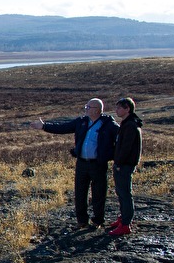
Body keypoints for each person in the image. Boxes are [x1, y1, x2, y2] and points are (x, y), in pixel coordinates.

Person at [30, 98, 119, 229]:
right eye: (86, 107)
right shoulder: (81, 122)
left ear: (98, 110)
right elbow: (63, 127)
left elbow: (122, 139)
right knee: (80, 193)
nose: (86, 109)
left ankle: (98, 221)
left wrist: (112, 155)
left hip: (98, 164)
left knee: (99, 193)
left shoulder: (109, 125)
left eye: (89, 107)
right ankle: (82, 221)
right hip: (82, 163)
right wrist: (44, 126)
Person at [108, 97, 143, 236]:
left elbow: (126, 148)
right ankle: (123, 218)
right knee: (121, 193)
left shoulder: (130, 125)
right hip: (124, 164)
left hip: (124, 165)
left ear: (127, 108)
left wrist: (119, 163)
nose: (116, 110)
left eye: (119, 108)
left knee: (124, 194)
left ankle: (126, 224)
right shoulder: (128, 123)